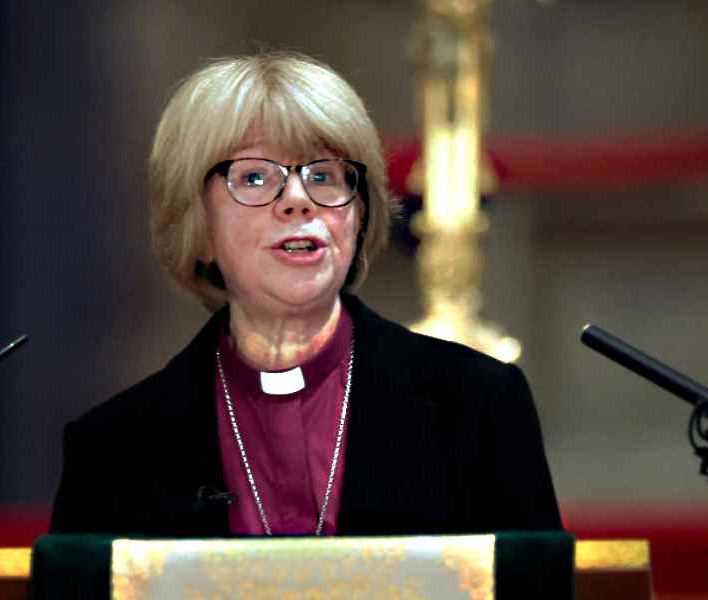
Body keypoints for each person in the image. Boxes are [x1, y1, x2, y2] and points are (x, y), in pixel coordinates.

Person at [50, 51, 561, 537]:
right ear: (196, 224)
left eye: (323, 175)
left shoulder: (480, 407)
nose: (297, 200)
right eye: (253, 177)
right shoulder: (114, 448)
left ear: (357, 214)